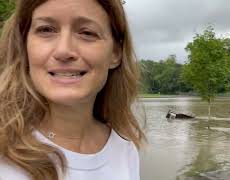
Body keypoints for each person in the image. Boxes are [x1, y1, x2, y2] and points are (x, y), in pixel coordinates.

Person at [0, 0, 146, 179]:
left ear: (115, 53)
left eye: (87, 32)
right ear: (24, 45)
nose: (63, 51)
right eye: (46, 30)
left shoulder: (124, 149)